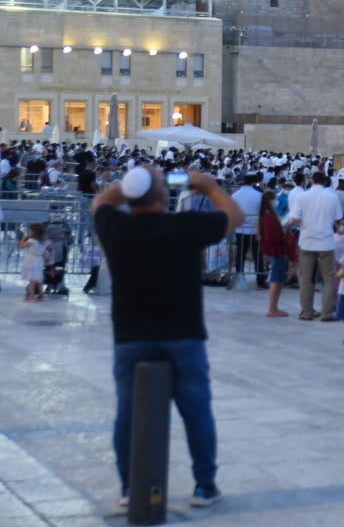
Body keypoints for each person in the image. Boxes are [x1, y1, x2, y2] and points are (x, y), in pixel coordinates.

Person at [91, 166, 243, 509]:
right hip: (183, 333)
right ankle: (204, 485)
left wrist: (128, 184)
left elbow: (100, 201)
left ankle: (130, 488)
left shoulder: (116, 227)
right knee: (197, 410)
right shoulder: (183, 226)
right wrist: (208, 186)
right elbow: (234, 216)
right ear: (164, 196)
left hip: (130, 335)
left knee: (127, 414)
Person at [288, 171, 342, 321]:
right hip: (326, 242)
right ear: (325, 182)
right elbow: (338, 219)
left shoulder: (302, 197)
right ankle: (326, 313)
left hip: (307, 241)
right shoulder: (332, 197)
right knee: (329, 279)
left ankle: (306, 312)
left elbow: (294, 218)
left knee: (305, 278)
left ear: (311, 181)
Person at [259, 189, 290, 317]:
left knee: (278, 278)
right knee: (276, 279)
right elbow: (273, 235)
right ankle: (272, 308)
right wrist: (284, 231)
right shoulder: (269, 216)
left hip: (277, 249)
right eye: (275, 199)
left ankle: (274, 307)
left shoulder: (267, 215)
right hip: (276, 249)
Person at [19, 223, 48, 301]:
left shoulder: (32, 241)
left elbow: (21, 245)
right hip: (39, 259)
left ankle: (31, 296)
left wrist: (24, 238)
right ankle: (41, 295)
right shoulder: (44, 240)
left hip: (31, 259)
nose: (29, 231)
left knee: (31, 278)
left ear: (34, 232)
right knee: (38, 279)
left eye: (30, 230)